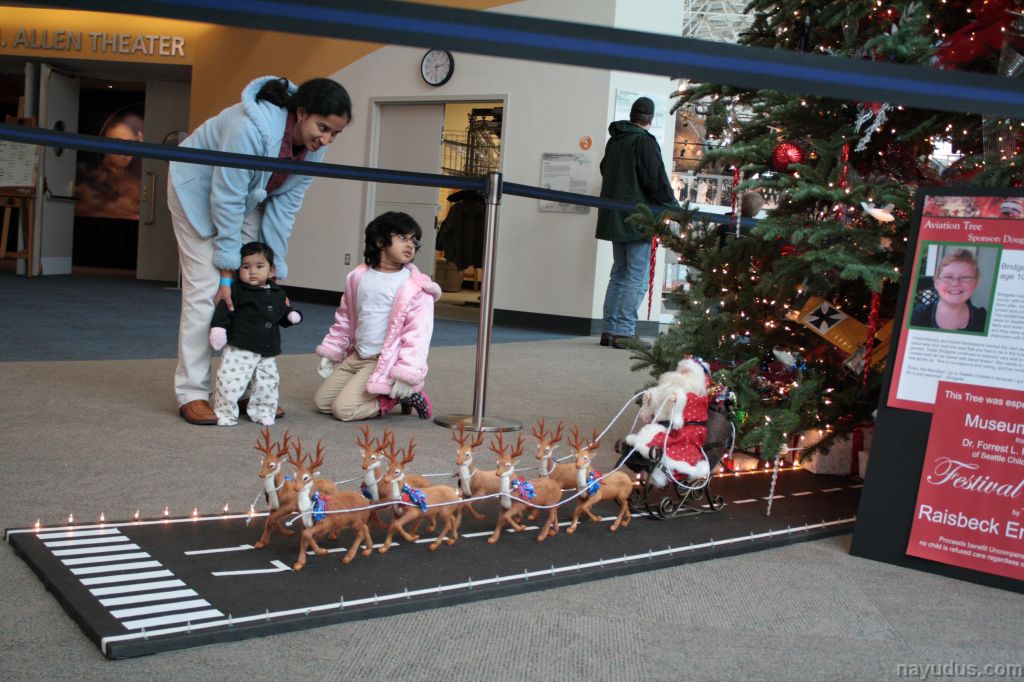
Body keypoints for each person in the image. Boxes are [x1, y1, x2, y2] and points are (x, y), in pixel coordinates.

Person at [168, 75, 351, 425]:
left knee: (255, 286)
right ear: (301, 113)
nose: (326, 139)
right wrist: (226, 270)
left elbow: (284, 208)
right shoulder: (248, 127)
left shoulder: (314, 149)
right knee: (208, 292)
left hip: (247, 196)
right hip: (197, 187)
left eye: (335, 134)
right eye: (323, 128)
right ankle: (192, 392)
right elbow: (225, 197)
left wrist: (272, 271)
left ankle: (239, 389)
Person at [314, 212, 440, 422]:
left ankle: (396, 398)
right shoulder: (358, 277)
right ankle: (386, 392)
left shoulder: (416, 287)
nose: (410, 244)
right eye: (403, 237)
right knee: (322, 403)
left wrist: (406, 374)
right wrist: (332, 349)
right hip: (358, 356)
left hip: (383, 361)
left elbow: (418, 336)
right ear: (380, 241)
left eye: (414, 240)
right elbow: (345, 318)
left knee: (344, 410)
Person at [596, 96, 678, 349]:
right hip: (638, 219)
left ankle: (609, 330)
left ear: (632, 115)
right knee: (636, 277)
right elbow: (656, 181)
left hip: (614, 216)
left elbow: (604, 169)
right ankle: (624, 331)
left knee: (618, 273)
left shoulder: (615, 140)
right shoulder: (644, 142)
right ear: (650, 118)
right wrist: (675, 208)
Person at [209, 242, 301, 426]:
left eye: (259, 266)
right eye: (246, 267)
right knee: (230, 381)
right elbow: (224, 311)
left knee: (267, 383)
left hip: (267, 349)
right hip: (240, 347)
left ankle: (263, 411)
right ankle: (225, 412)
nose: (252, 272)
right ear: (238, 270)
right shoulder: (237, 290)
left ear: (271, 271)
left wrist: (290, 316)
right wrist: (218, 329)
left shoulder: (277, 292)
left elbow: (280, 313)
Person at [910, 249, 987, 332]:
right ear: (936, 283)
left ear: (976, 283)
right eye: (948, 277)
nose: (955, 283)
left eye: (965, 277)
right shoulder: (918, 315)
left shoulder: (984, 319)